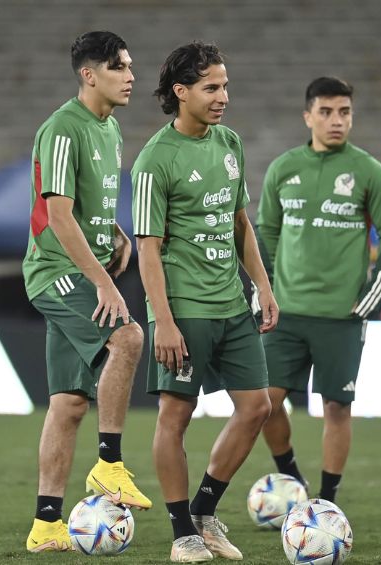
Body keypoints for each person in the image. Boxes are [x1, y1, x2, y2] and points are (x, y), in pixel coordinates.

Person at [133, 42, 279, 563]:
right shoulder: (155, 161)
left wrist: (261, 284)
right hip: (184, 306)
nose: (223, 97)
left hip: (232, 302)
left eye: (225, 86)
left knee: (256, 406)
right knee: (176, 414)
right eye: (211, 87)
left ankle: (204, 510)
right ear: (181, 92)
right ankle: (181, 533)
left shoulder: (230, 143)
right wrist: (163, 321)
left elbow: (240, 222)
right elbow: (146, 249)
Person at [21, 30, 150, 553]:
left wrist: (115, 232)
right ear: (89, 74)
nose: (131, 76)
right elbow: (57, 214)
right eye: (120, 66)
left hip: (82, 266)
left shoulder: (111, 129)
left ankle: (46, 523)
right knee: (129, 339)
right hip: (56, 271)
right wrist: (103, 283)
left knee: (69, 402)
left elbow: (87, 203)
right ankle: (109, 464)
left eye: (130, 66)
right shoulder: (61, 129)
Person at [256, 76, 381, 503]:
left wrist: (377, 285)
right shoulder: (284, 168)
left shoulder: (368, 171)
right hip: (286, 312)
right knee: (263, 405)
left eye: (344, 112)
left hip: (342, 314)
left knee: (337, 408)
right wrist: (266, 285)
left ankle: (325, 503)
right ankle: (292, 479)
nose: (336, 120)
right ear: (308, 116)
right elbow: (266, 230)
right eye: (326, 112)